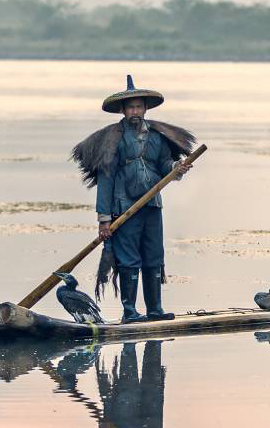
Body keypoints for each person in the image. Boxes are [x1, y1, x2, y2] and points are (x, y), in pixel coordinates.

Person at [71, 75, 196, 322]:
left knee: (153, 256)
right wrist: (104, 219)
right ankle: (130, 312)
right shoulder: (112, 140)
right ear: (123, 110)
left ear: (145, 108)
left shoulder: (158, 137)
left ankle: (155, 310)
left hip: (152, 205)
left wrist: (175, 168)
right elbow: (105, 180)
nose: (135, 111)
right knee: (128, 260)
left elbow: (163, 165)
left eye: (139, 107)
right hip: (124, 207)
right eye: (131, 107)